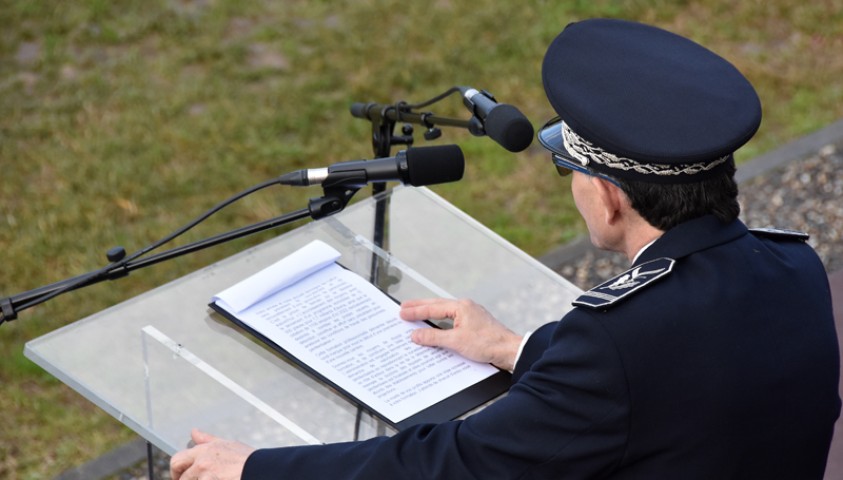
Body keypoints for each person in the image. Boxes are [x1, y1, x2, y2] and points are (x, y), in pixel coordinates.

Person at [170, 18, 841, 480]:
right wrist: (513, 349)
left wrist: (252, 468)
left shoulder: (617, 342)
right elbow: (676, 387)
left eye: (569, 170)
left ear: (608, 196)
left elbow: (455, 465)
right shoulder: (792, 269)